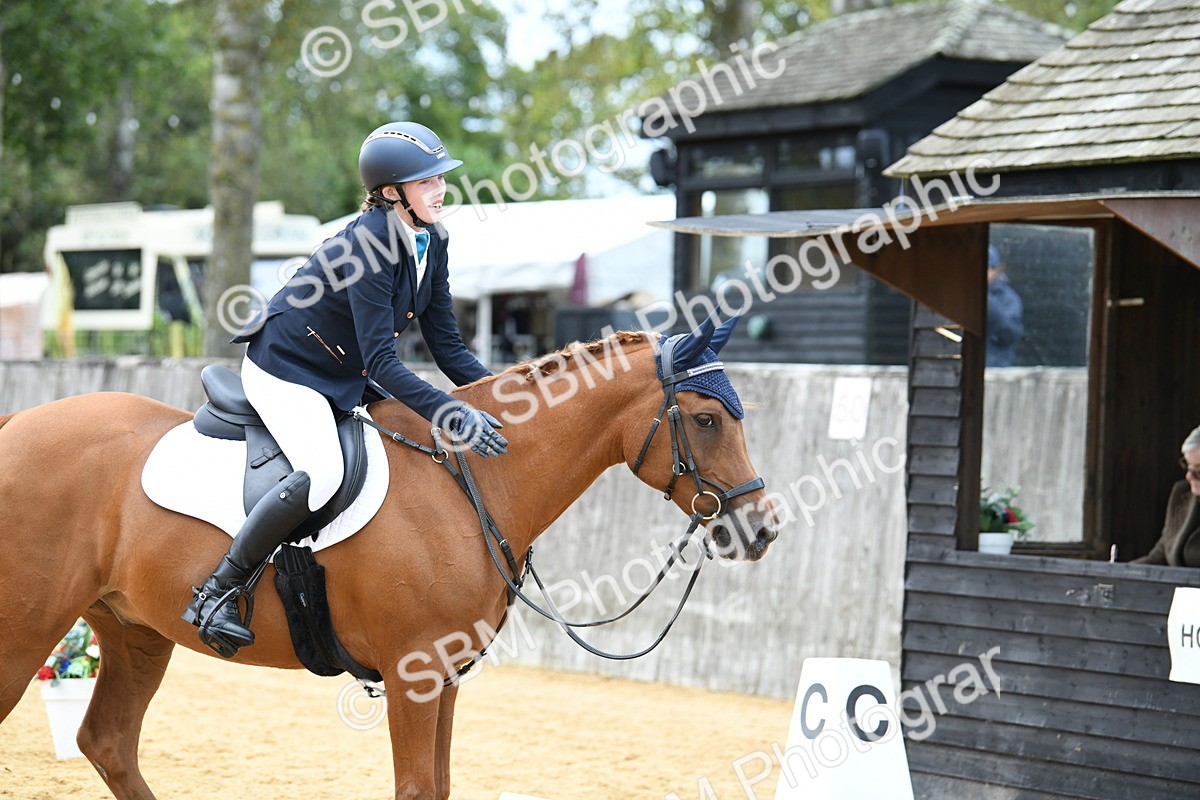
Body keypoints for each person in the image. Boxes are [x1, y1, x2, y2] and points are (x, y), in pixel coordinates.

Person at [182, 121, 508, 657]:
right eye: (426, 182)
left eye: (440, 179)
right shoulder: (368, 246)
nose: (440, 190)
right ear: (390, 192)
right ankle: (218, 590)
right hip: (288, 368)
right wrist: (451, 412)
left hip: (345, 371)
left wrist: (496, 400)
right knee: (325, 471)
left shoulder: (434, 239)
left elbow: (447, 348)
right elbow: (383, 360)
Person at [1133, 425, 1200, 566]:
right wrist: (1118, 575)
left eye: (1199, 469)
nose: (1189, 476)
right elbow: (1161, 554)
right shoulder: (1181, 492)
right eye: (1188, 466)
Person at [986, 244, 1023, 367]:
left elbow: (1009, 335)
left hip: (997, 370)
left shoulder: (1008, 298)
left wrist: (988, 303)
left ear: (996, 270)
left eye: (988, 267)